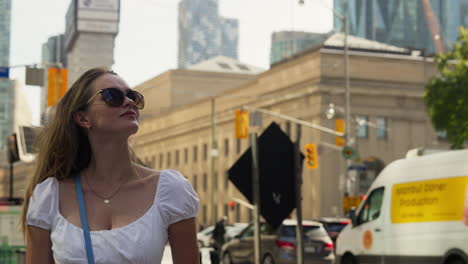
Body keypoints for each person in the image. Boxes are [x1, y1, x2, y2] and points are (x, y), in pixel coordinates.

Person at [20, 67, 200, 264]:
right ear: (83, 118)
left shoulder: (170, 189)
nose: (129, 101)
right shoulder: (49, 196)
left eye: (132, 96)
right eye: (112, 96)